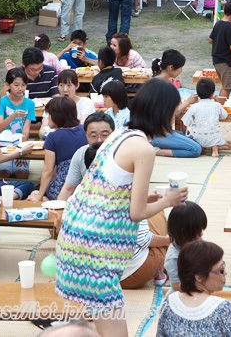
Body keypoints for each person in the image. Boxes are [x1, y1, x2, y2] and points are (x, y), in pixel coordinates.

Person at [56, 79, 189, 335]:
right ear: (162, 112)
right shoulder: (144, 149)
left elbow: (106, 187)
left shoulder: (119, 134)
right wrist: (168, 201)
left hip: (75, 239)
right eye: (173, 112)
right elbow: (136, 214)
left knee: (91, 325)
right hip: (96, 251)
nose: (174, 118)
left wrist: (150, 196)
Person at [157, 240, 231, 336]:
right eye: (221, 270)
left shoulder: (169, 303)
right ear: (199, 277)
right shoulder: (224, 309)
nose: (225, 273)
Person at [29, 96, 88, 201]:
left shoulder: (53, 137)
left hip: (64, 190)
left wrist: (39, 196)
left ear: (57, 116)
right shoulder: (85, 129)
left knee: (34, 192)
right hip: (85, 188)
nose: (48, 118)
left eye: (49, 115)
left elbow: (48, 170)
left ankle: (46, 199)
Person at [150, 51, 203, 158]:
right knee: (196, 149)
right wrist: (187, 102)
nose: (181, 70)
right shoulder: (162, 87)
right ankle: (155, 151)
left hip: (156, 131)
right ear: (171, 67)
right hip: (156, 134)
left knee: (195, 139)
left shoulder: (154, 82)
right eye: (180, 67)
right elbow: (173, 114)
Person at [57, 113, 115, 201]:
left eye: (105, 135)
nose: (99, 140)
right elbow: (68, 188)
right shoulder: (81, 154)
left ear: (114, 134)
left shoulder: (123, 155)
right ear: (86, 136)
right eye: (93, 136)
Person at [0, 68, 36, 179]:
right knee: (4, 174)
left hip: (21, 144)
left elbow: (26, 130)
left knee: (21, 174)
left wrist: (21, 151)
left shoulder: (30, 103)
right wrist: (13, 116)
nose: (20, 88)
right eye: (16, 85)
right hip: (4, 146)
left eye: (23, 85)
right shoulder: (2, 102)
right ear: (8, 85)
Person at [164, 201, 208, 292]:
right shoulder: (174, 258)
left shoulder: (194, 245)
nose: (201, 236)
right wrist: (200, 288)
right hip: (182, 297)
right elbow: (177, 286)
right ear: (185, 234)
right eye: (199, 234)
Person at [182, 77, 227, 157]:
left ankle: (202, 149)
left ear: (197, 94)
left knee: (196, 133)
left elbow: (186, 122)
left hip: (198, 138)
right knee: (215, 134)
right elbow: (224, 116)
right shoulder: (217, 105)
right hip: (213, 138)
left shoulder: (194, 107)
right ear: (213, 93)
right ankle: (214, 151)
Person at [209, 0, 231, 100]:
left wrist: (219, 41)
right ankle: (219, 107)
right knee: (227, 87)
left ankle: (218, 105)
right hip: (225, 61)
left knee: (225, 84)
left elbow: (210, 40)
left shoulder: (218, 24)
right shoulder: (230, 28)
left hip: (216, 60)